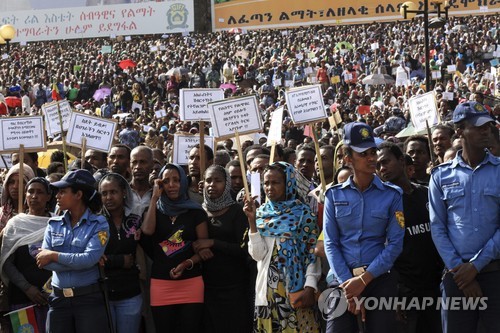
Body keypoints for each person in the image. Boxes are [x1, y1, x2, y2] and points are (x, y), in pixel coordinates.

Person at [324, 122, 405, 333]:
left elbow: (395, 243)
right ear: (347, 158)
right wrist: (349, 287)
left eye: (373, 152)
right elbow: (331, 243)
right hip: (341, 280)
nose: (371, 158)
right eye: (363, 153)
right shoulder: (333, 195)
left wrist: (364, 280)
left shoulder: (393, 195)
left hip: (378, 278)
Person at [429, 102, 500, 333]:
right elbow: (437, 227)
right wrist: (461, 272)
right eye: (478, 126)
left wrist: (476, 266)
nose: (485, 131)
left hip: (495, 273)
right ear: (459, 131)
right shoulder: (441, 176)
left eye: (488, 126)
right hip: (456, 277)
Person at [243, 161, 320, 332]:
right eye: (266, 183)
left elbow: (312, 253)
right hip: (267, 293)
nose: (269, 187)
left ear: (288, 183)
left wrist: (310, 285)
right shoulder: (261, 213)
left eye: (275, 182)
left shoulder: (303, 214)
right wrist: (252, 223)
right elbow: (257, 255)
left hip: (297, 289)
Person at [376, 142, 442, 333]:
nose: (382, 168)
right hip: (407, 293)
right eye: (378, 165)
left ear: (402, 160)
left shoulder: (427, 194)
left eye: (386, 162)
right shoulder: (383, 207)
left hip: (437, 286)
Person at [140, 163, 213, 332]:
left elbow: (203, 249)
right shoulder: (154, 210)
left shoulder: (196, 212)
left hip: (191, 282)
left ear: (184, 183)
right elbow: (147, 230)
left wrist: (186, 264)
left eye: (176, 180)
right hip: (161, 283)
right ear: (160, 185)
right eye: (166, 181)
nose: (171, 185)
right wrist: (154, 198)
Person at [36, 169, 110, 333]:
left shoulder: (99, 224)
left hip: (88, 301)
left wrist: (54, 255)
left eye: (63, 192)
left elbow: (89, 258)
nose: (57, 196)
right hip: (58, 301)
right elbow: (43, 262)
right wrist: (82, 262)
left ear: (78, 195)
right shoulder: (53, 224)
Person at [197, 165, 251, 332]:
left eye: (218, 180)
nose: (212, 184)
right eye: (208, 180)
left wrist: (213, 243)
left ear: (226, 184)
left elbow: (244, 250)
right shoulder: (199, 211)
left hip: (234, 287)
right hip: (207, 286)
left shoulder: (237, 212)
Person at [0, 178, 54, 333]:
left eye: (40, 192)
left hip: (51, 297)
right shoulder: (15, 224)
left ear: (49, 197)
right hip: (21, 299)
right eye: (30, 191)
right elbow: (6, 262)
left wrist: (49, 288)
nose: (34, 196)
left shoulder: (57, 223)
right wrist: (27, 288)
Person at [98, 173, 143, 333]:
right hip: (103, 295)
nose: (109, 197)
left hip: (130, 294)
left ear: (124, 192)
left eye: (113, 192)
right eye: (104, 193)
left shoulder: (135, 221)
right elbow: (91, 258)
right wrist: (119, 261)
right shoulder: (95, 223)